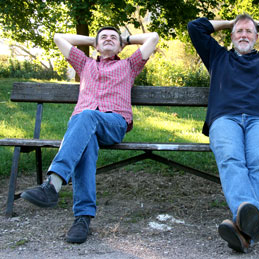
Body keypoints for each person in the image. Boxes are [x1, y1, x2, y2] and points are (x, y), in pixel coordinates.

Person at [21, 27, 159, 244]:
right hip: (83, 128)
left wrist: (126, 38)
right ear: (95, 45)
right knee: (86, 143)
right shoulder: (84, 63)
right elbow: (58, 37)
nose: (108, 39)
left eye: (113, 37)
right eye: (103, 37)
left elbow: (153, 38)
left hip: (113, 123)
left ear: (121, 45)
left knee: (86, 116)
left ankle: (53, 183)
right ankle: (82, 219)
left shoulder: (129, 65)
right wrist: (93, 39)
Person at [188, 14, 259, 253]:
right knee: (232, 160)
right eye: (239, 31)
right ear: (231, 37)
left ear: (256, 37)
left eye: (249, 31)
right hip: (225, 119)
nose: (243, 35)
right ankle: (254, 223)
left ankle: (243, 233)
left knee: (258, 163)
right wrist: (230, 22)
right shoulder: (218, 56)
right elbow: (195, 27)